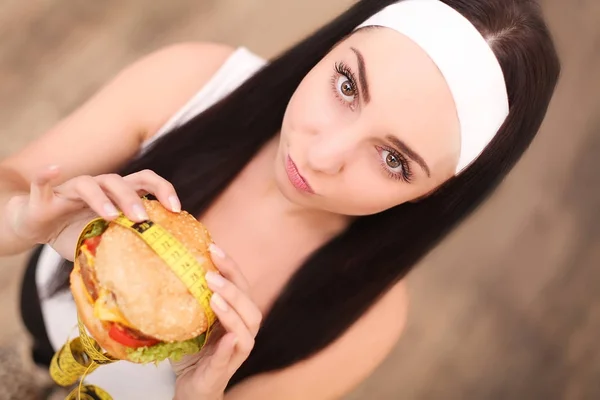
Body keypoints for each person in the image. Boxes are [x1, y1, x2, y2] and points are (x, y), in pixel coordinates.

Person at [1, 0, 560, 398]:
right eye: (347, 85)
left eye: (394, 159)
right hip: (41, 316)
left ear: (435, 192)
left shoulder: (369, 319)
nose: (322, 155)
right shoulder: (189, 81)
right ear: (333, 45)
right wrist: (23, 222)